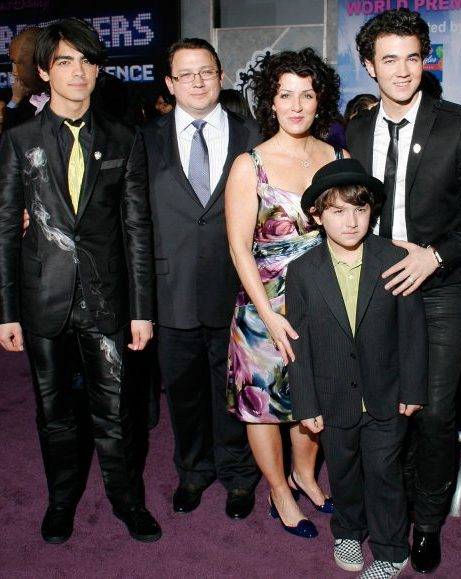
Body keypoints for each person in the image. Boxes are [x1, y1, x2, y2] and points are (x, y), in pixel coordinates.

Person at [347, 8, 461, 573]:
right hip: (375, 287)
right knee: (382, 409)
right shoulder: (356, 129)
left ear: (425, 61)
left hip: (439, 288)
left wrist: (433, 256)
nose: (403, 70)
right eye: (389, 60)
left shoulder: (457, 124)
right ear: (370, 66)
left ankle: (428, 522)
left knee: (434, 414)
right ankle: (387, 509)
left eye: (413, 58)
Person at [0, 18, 161, 543]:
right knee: (54, 412)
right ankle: (61, 501)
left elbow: (137, 228)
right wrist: (6, 311)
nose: (78, 71)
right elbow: (6, 228)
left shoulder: (123, 137)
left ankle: (127, 501)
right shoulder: (19, 139)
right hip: (42, 297)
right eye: (65, 61)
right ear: (45, 72)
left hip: (106, 298)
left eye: (87, 61)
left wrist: (142, 310)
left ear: (98, 71)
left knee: (116, 410)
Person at [287, 158, 428, 578]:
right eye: (337, 211)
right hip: (332, 396)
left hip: (386, 393)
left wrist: (413, 388)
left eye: (359, 210)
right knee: (343, 471)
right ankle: (348, 530)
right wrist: (306, 402)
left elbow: (412, 330)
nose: (350, 222)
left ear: (372, 212)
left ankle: (390, 551)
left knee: (384, 473)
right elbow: (298, 343)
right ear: (317, 216)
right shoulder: (302, 271)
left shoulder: (395, 258)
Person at [226, 47, 343, 539]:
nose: (296, 106)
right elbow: (239, 247)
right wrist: (268, 315)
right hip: (263, 307)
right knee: (263, 405)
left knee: (312, 398)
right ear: (270, 102)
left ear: (320, 101)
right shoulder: (249, 164)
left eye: (306, 95)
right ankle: (279, 491)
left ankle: (305, 476)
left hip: (322, 303)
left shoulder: (337, 158)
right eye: (285, 95)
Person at [141, 38, 260, 519]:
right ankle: (192, 471)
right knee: (184, 391)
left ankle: (238, 474)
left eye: (206, 72)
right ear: (170, 84)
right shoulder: (143, 139)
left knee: (234, 388)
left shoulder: (252, 135)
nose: (197, 81)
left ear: (221, 75)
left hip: (237, 288)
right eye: (185, 74)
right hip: (170, 290)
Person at [5, 27, 48, 129]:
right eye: (12, 63)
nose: (14, 72)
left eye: (18, 63)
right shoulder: (20, 99)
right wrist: (15, 100)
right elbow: (9, 135)